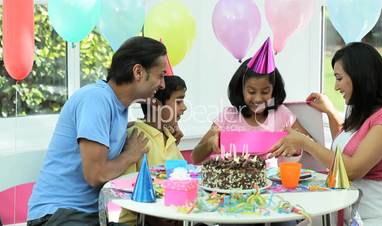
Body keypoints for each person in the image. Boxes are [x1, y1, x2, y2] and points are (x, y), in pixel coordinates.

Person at [27, 36, 168, 226]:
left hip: (87, 216)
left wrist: (162, 129)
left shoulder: (118, 107)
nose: (163, 85)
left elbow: (109, 135)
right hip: (56, 215)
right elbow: (96, 175)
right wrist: (130, 154)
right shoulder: (96, 99)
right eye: (160, 75)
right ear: (138, 72)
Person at [270, 42, 382, 225]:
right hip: (350, 213)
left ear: (359, 77)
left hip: (380, 218)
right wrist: (330, 112)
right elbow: (344, 147)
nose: (336, 87)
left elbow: (351, 169)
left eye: (339, 78)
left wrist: (305, 143)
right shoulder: (363, 113)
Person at [191, 38, 308, 167]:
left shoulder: (282, 115)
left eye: (265, 92)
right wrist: (209, 144)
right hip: (232, 183)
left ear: (274, 90)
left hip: (269, 185)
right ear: (240, 90)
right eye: (251, 92)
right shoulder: (227, 117)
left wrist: (296, 146)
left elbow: (309, 145)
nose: (258, 99)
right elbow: (195, 157)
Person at [118, 75, 187, 226]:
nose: (184, 107)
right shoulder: (136, 137)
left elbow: (181, 184)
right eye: (179, 101)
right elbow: (124, 191)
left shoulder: (169, 138)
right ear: (156, 104)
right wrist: (154, 214)